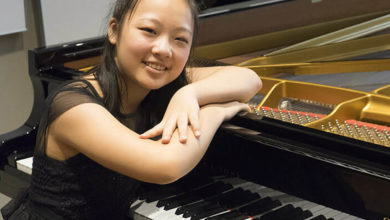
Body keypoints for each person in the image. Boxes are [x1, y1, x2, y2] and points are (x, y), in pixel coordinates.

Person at [1, 0, 262, 219]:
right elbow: (166, 166)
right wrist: (215, 112)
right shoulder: (73, 106)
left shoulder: (161, 82)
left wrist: (190, 93)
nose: (163, 49)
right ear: (114, 30)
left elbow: (249, 79)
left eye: (180, 39)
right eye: (149, 30)